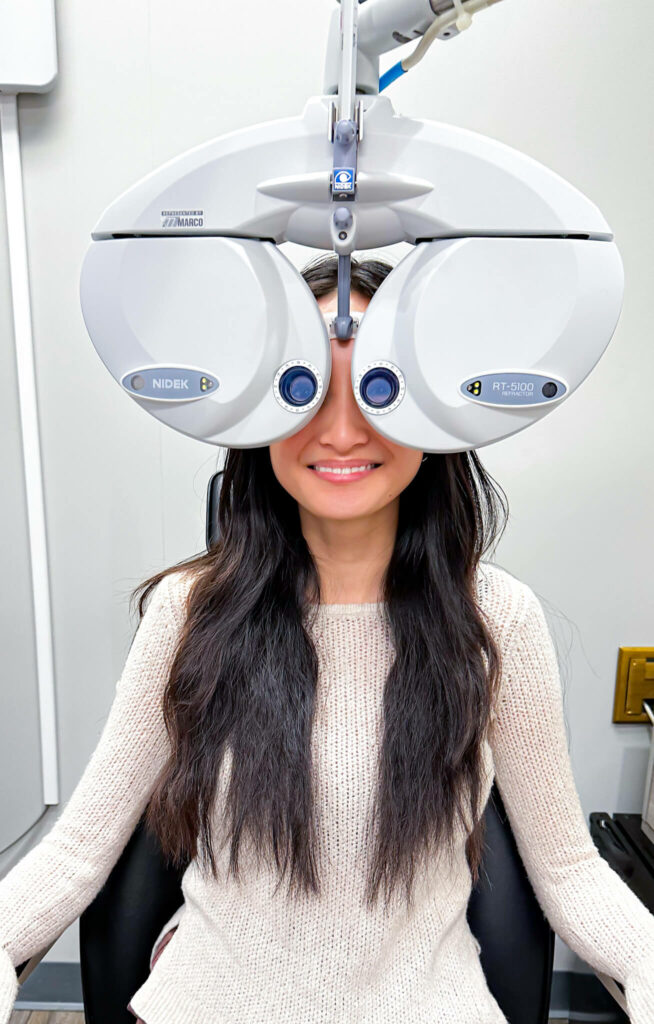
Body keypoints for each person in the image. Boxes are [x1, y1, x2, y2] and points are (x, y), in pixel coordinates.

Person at [1, 253, 653, 1024]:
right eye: (305, 390)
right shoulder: (188, 612)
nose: (342, 432)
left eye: (379, 391)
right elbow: (77, 852)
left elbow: (571, 871)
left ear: (433, 410)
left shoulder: (496, 619)